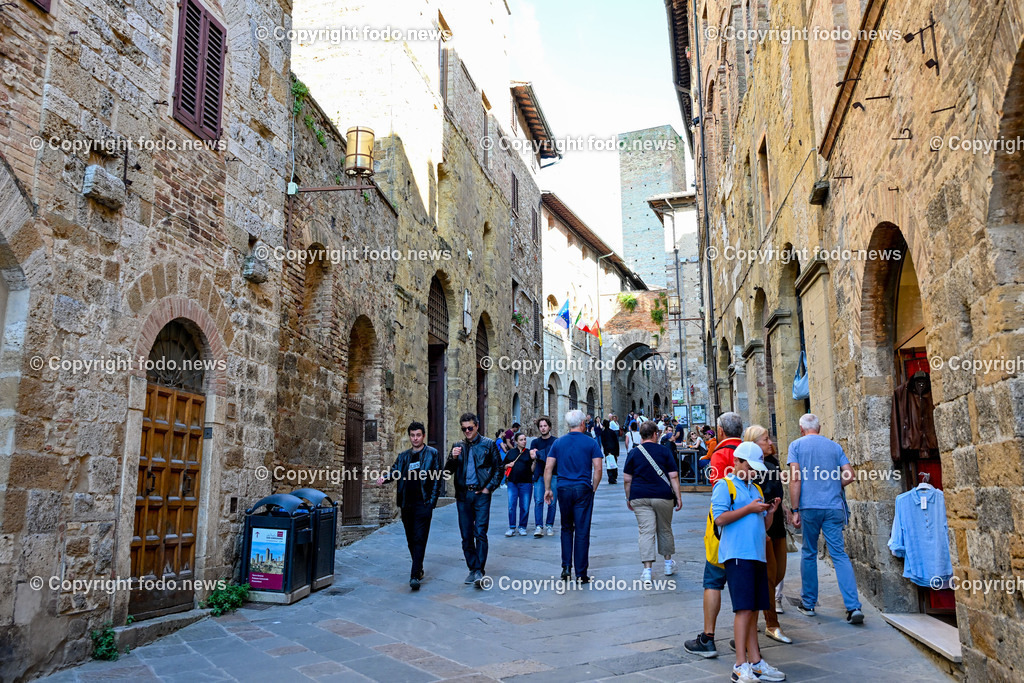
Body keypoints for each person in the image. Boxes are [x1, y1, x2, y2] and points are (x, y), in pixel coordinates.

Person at [711, 441, 786, 683]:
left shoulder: (755, 489)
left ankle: (756, 662)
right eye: (750, 467)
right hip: (737, 555)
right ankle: (740, 665)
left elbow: (762, 525)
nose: (753, 472)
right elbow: (720, 519)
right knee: (743, 609)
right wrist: (750, 509)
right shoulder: (725, 485)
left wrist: (770, 512)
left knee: (754, 609)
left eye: (755, 468)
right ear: (738, 461)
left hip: (756, 554)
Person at [789, 413, 864, 624]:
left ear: (801, 429)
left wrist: (795, 509)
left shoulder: (796, 445)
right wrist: (833, 485)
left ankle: (809, 603)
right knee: (839, 554)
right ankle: (853, 606)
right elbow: (849, 474)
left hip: (809, 507)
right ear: (819, 429)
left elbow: (795, 479)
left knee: (809, 552)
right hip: (833, 507)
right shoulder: (834, 447)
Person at [684, 411, 744, 659]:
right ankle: (747, 637)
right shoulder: (750, 452)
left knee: (713, 581)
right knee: (745, 581)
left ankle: (708, 637)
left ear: (720, 431)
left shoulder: (719, 455)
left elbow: (718, 491)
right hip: (749, 525)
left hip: (722, 526)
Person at [376, 421, 444, 590]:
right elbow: (395, 471)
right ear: (410, 437)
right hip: (406, 504)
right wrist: (385, 478)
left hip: (424, 502)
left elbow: (437, 479)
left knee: (420, 537)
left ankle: (414, 576)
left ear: (423, 436)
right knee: (410, 539)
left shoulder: (432, 454)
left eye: (418, 435)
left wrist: (431, 502)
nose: (415, 438)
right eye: (412, 435)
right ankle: (419, 567)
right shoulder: (404, 456)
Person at [744, 425, 792, 644]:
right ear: (754, 444)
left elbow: (777, 494)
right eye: (765, 439)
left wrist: (786, 510)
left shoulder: (773, 464)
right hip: (760, 528)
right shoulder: (749, 470)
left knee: (779, 573)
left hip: (777, 524)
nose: (770, 442)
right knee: (769, 575)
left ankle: (761, 616)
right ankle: (771, 624)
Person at [544, 409, 603, 581]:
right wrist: (594, 487)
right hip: (583, 487)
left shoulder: (559, 443)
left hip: (563, 488)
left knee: (566, 527)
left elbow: (548, 467)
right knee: (582, 530)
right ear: (583, 423)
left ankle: (566, 567)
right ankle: (581, 572)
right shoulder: (590, 443)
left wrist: (548, 488)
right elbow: (598, 468)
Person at [445, 412, 503, 587]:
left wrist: (488, 488)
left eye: (470, 428)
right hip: (463, 496)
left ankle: (479, 570)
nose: (467, 431)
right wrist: (453, 458)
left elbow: (498, 469)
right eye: (464, 429)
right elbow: (447, 472)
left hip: (481, 495)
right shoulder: (457, 446)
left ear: (477, 426)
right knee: (466, 534)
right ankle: (473, 568)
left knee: (480, 532)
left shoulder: (488, 444)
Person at [623, 421, 682, 587]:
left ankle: (647, 571)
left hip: (639, 496)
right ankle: (668, 564)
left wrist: (628, 498)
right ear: (655, 434)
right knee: (665, 528)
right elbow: (673, 476)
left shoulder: (634, 453)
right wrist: (678, 496)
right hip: (663, 496)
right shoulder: (664, 451)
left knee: (646, 531)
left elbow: (627, 479)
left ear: (641, 435)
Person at [503, 432, 535, 537]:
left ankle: (522, 527)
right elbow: (503, 466)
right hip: (513, 482)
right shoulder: (511, 453)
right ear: (516, 441)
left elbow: (532, 470)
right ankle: (512, 527)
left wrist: (534, 461)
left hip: (526, 483)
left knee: (525, 506)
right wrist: (508, 465)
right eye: (521, 440)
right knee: (511, 505)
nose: (524, 441)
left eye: (525, 439)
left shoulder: (529, 453)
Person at [530, 416, 558, 537]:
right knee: (538, 501)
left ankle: (550, 525)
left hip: (554, 475)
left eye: (545, 426)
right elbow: (532, 456)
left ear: (549, 427)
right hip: (539, 474)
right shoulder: (535, 442)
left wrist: (539, 454)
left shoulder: (555, 441)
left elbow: (555, 457)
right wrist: (541, 454)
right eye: (541, 426)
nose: (543, 428)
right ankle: (539, 526)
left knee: (552, 501)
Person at [600, 419, 620, 484]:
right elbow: (616, 442)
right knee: (614, 463)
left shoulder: (603, 433)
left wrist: (606, 451)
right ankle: (614, 477)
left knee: (609, 464)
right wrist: (617, 451)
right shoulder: (612, 432)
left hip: (607, 451)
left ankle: (610, 477)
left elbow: (603, 443)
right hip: (614, 450)